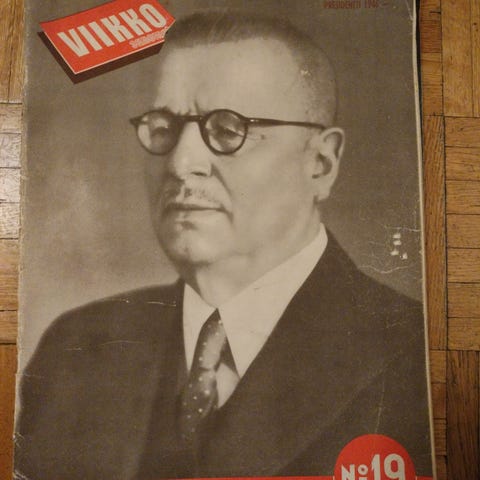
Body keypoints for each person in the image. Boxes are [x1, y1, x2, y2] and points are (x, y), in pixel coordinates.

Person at [15, 11, 433, 480]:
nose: (181, 163)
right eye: (163, 127)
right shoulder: (76, 350)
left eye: (228, 130)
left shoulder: (415, 359)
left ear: (320, 163)